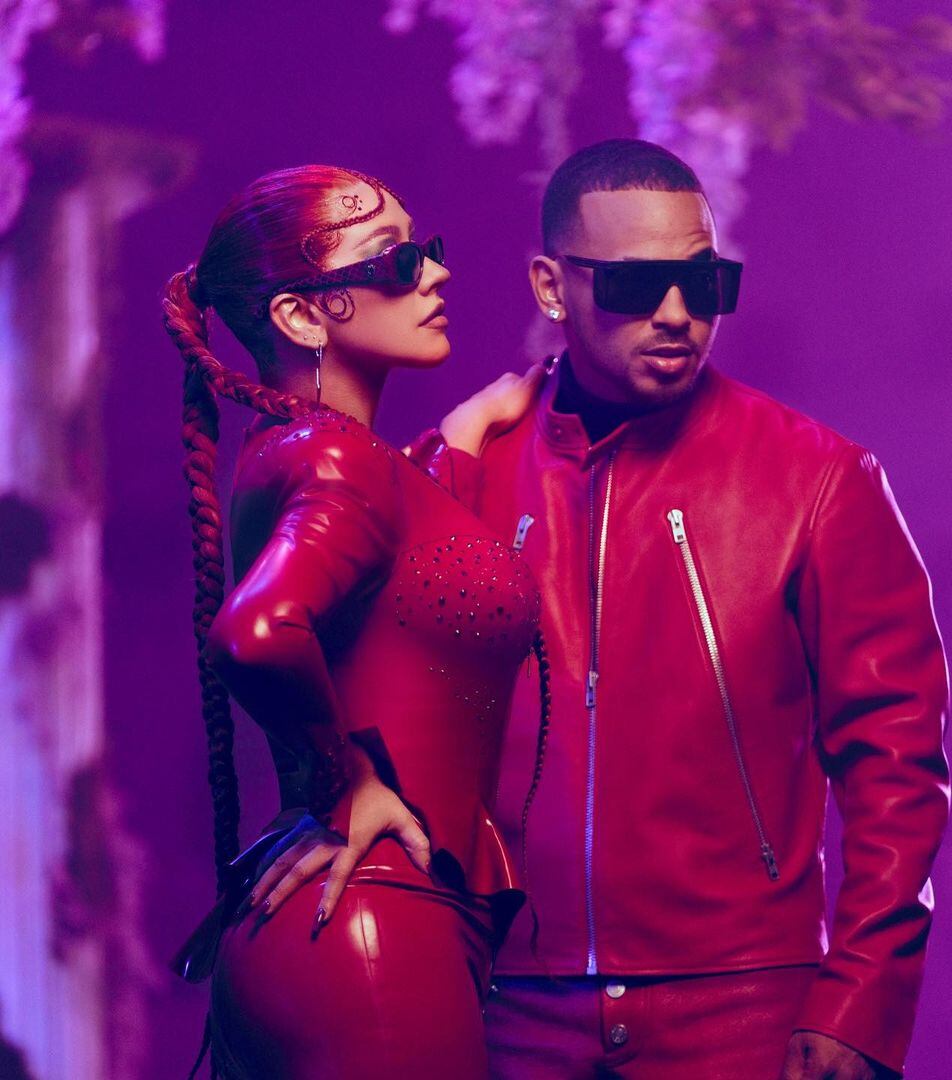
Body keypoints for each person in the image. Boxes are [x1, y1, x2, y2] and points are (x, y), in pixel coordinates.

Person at [253, 140, 951, 1080]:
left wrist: (863, 1000)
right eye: (635, 284)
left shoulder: (820, 481)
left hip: (746, 1005)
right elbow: (353, 667)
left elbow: (897, 762)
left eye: (705, 283)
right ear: (552, 287)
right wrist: (340, 781)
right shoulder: (461, 474)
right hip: (505, 1004)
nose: (677, 314)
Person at [161, 164, 546, 1079]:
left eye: (426, 250)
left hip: (338, 920)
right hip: (369, 923)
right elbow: (256, 631)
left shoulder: (307, 452)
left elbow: (403, 578)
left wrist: (461, 439)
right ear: (300, 316)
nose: (435, 273)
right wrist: (351, 776)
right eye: (396, 260)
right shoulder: (338, 461)